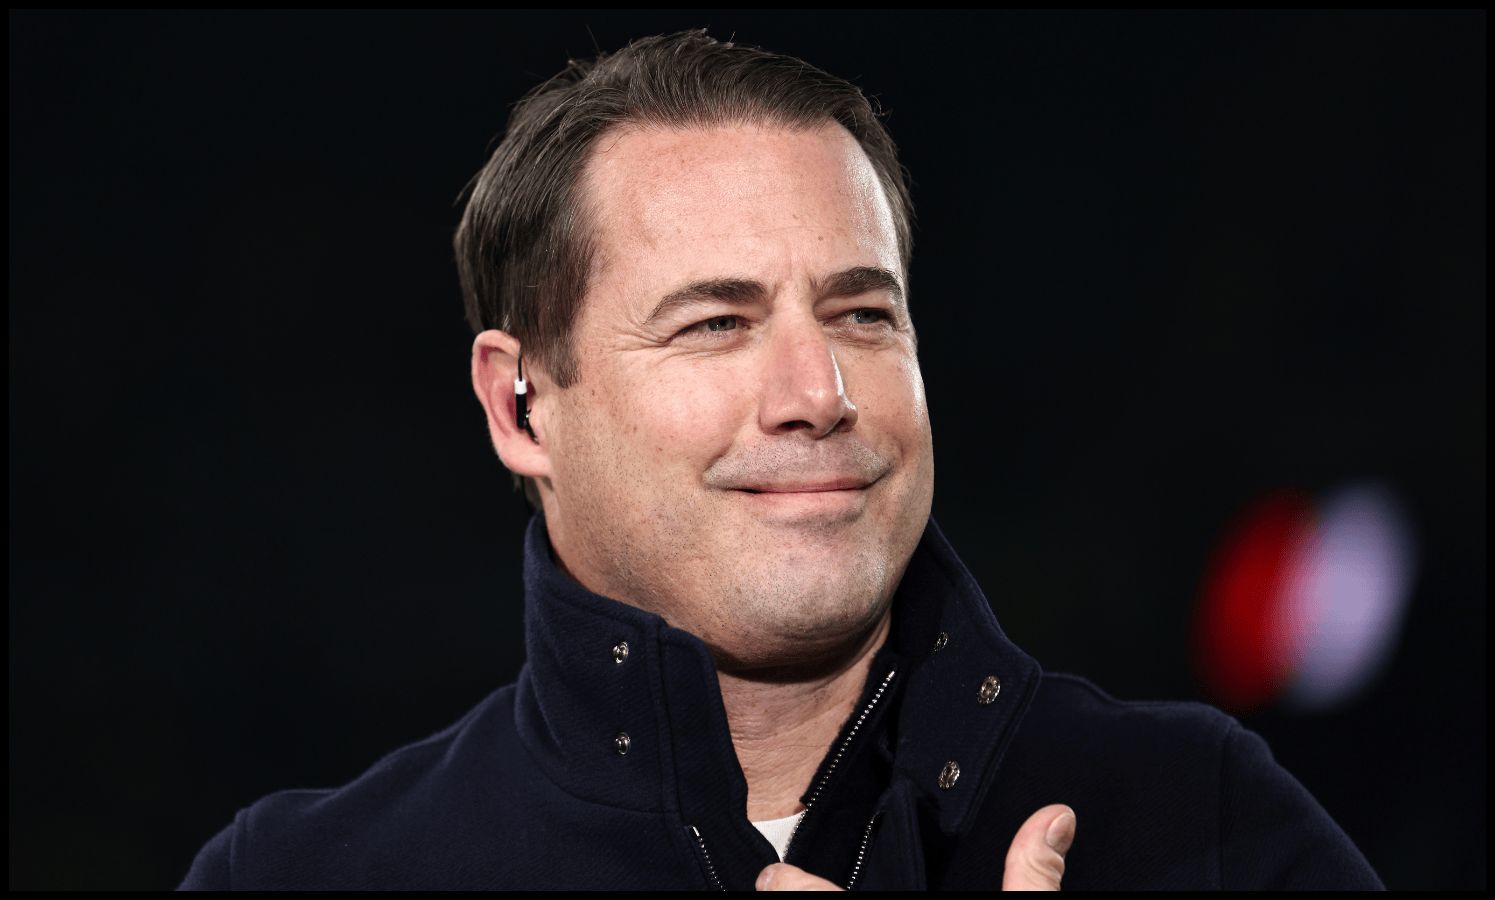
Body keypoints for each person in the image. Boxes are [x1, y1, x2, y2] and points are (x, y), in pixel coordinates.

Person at [177, 28, 1384, 891]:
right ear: (521, 406)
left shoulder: (1202, 825)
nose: (822, 394)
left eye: (864, 313)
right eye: (716, 323)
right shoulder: (301, 873)